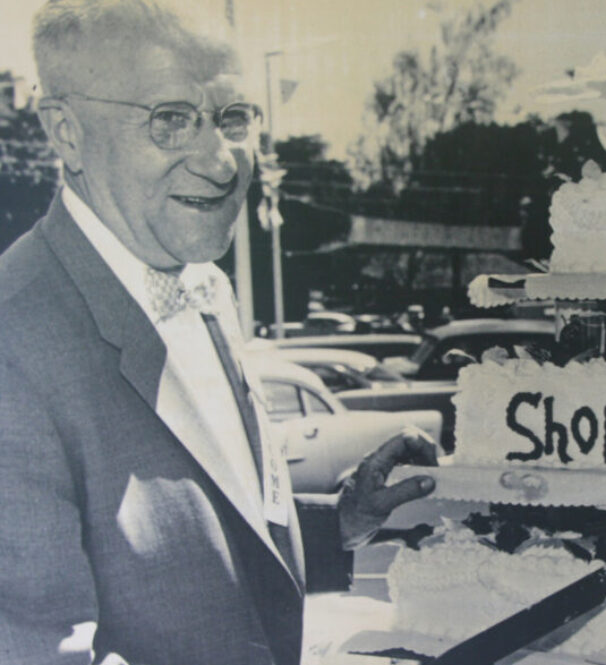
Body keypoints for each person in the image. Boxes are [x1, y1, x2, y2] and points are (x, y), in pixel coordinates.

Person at [0, 2, 436, 664]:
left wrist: (336, 524)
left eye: (233, 118)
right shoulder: (12, 340)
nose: (221, 160)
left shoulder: (208, 287)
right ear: (66, 131)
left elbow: (191, 563)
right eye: (169, 121)